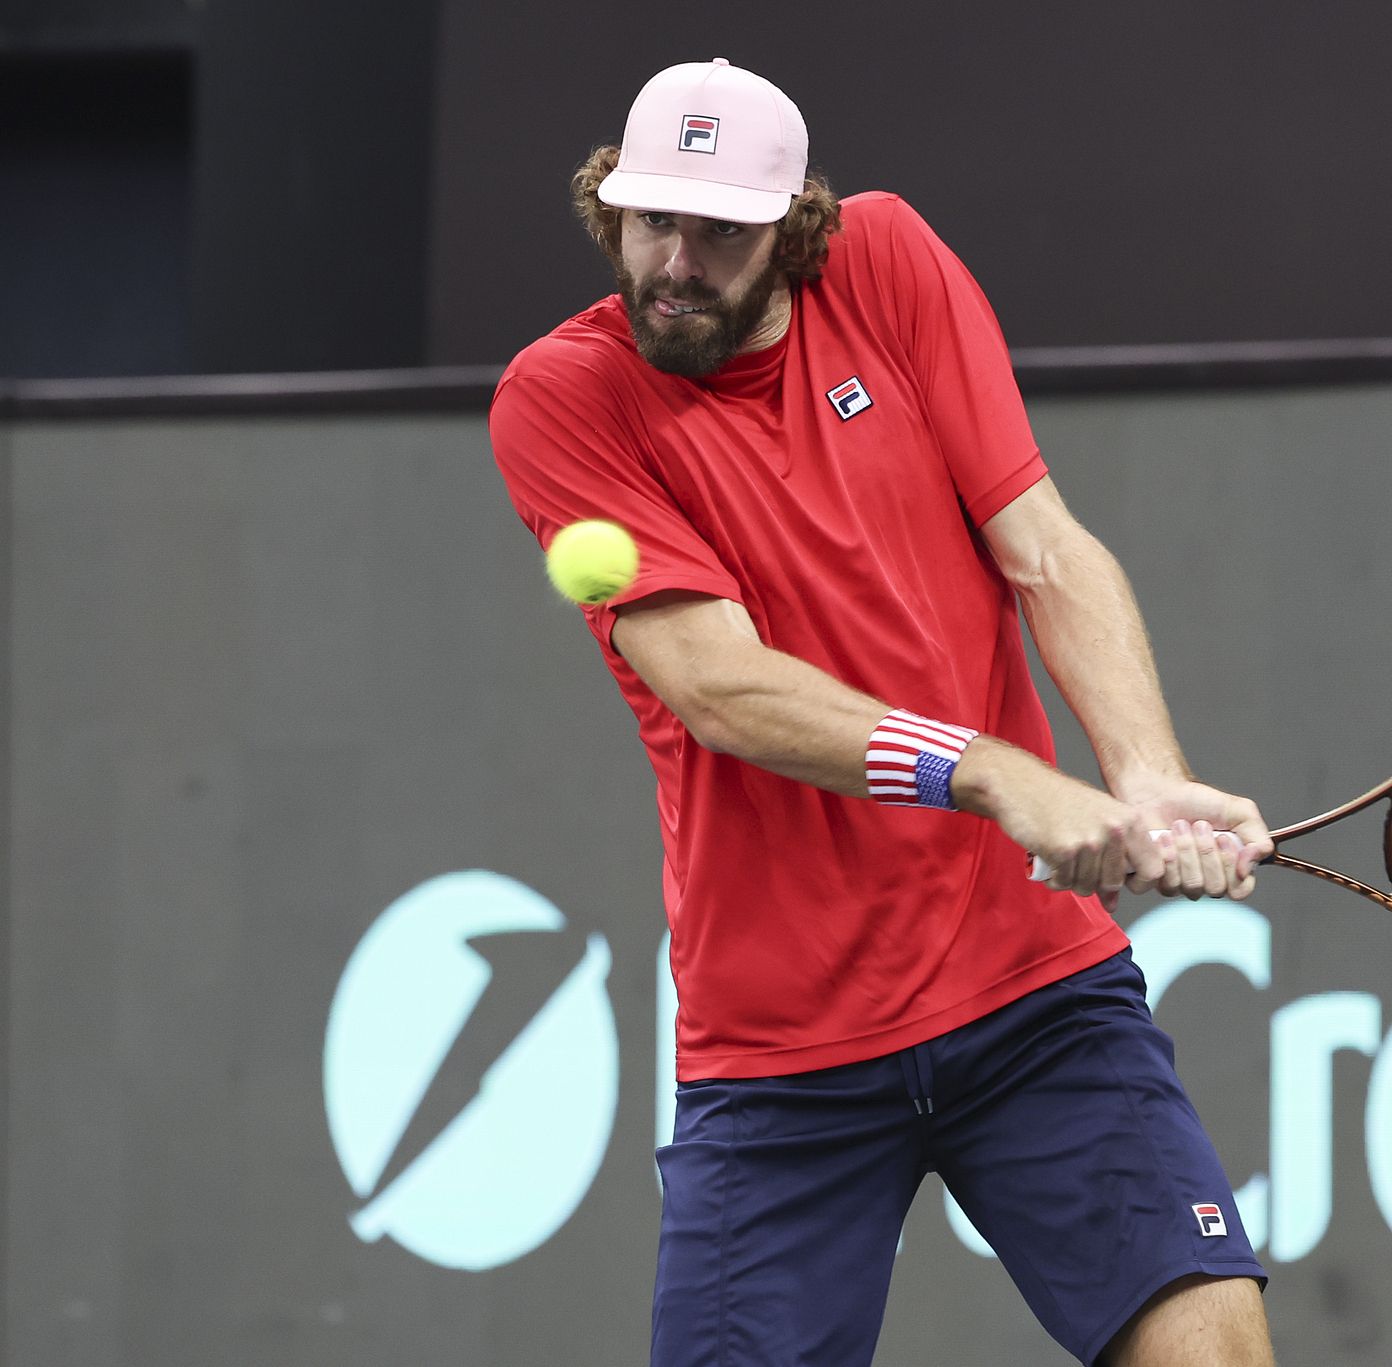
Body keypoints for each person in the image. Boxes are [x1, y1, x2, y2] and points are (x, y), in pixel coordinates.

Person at [489, 57, 1279, 1367]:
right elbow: (717, 685)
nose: (675, 261)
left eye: (719, 231)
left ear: (793, 228)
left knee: (1217, 1353)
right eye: (649, 220)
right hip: (783, 1048)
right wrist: (995, 774)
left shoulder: (890, 261)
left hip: (1033, 994)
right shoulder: (562, 401)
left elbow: (1045, 548)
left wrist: (1145, 774)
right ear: (608, 209)